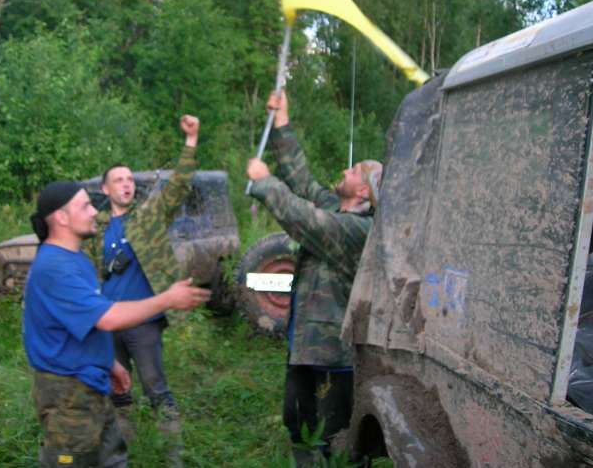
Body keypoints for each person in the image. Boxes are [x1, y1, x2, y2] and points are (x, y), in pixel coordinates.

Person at [24, 181, 211, 468]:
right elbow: (107, 317)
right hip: (67, 395)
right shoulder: (54, 267)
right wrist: (167, 299)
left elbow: (83, 321)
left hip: (92, 385)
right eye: (85, 206)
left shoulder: (77, 259)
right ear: (61, 218)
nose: (94, 212)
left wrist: (110, 363)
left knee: (112, 459)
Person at [246, 90, 382, 467]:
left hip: (334, 358)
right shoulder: (335, 207)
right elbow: (301, 181)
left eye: (353, 171)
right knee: (299, 426)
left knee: (337, 441)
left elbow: (305, 219)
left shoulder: (360, 230)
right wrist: (282, 122)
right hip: (305, 346)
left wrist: (266, 182)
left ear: (364, 190)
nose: (344, 171)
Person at [82, 115, 200, 467]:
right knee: (117, 393)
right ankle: (124, 454)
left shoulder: (147, 217)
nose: (127, 185)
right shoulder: (94, 227)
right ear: (105, 190)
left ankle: (174, 456)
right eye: (119, 180)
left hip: (144, 321)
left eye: (130, 179)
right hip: (108, 322)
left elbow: (178, 187)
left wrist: (190, 141)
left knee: (156, 388)